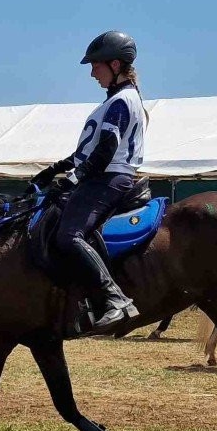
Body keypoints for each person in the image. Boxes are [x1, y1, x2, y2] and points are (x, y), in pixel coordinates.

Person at [30, 30, 147, 332]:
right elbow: (88, 151)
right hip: (99, 175)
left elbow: (107, 150)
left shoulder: (122, 101)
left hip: (108, 178)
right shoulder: (113, 102)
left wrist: (72, 179)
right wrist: (54, 170)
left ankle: (114, 299)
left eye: (96, 66)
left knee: (68, 236)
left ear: (116, 66)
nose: (92, 73)